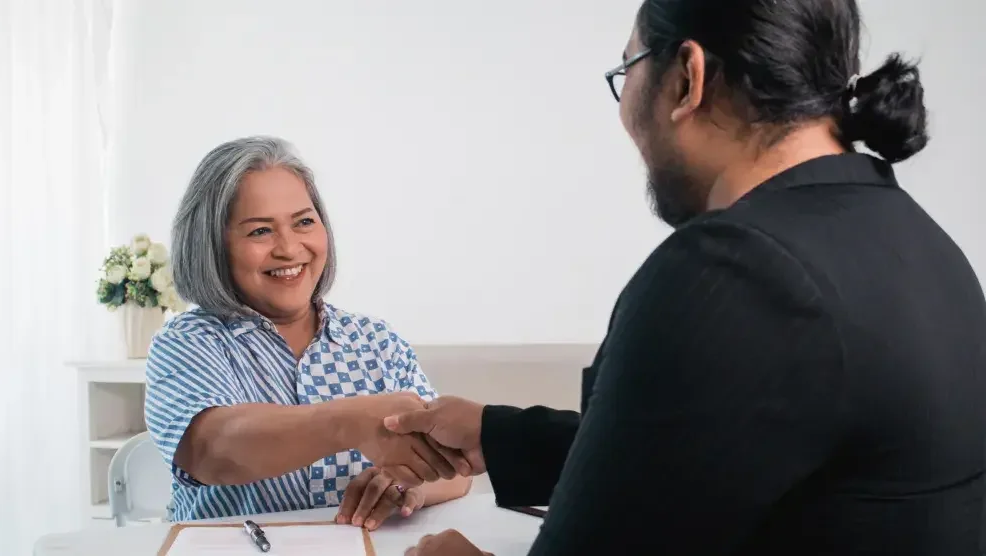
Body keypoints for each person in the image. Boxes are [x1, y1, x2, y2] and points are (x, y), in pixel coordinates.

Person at [392, 0, 986, 554]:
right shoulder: (916, 240)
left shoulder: (735, 267)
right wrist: (500, 435)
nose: (626, 108)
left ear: (686, 77)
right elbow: (718, 450)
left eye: (627, 71)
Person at [143, 136, 471, 528]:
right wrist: (352, 421)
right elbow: (212, 450)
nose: (289, 248)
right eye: (260, 231)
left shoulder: (376, 341)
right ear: (212, 245)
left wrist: (410, 487)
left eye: (303, 222)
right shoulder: (187, 342)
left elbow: (456, 466)